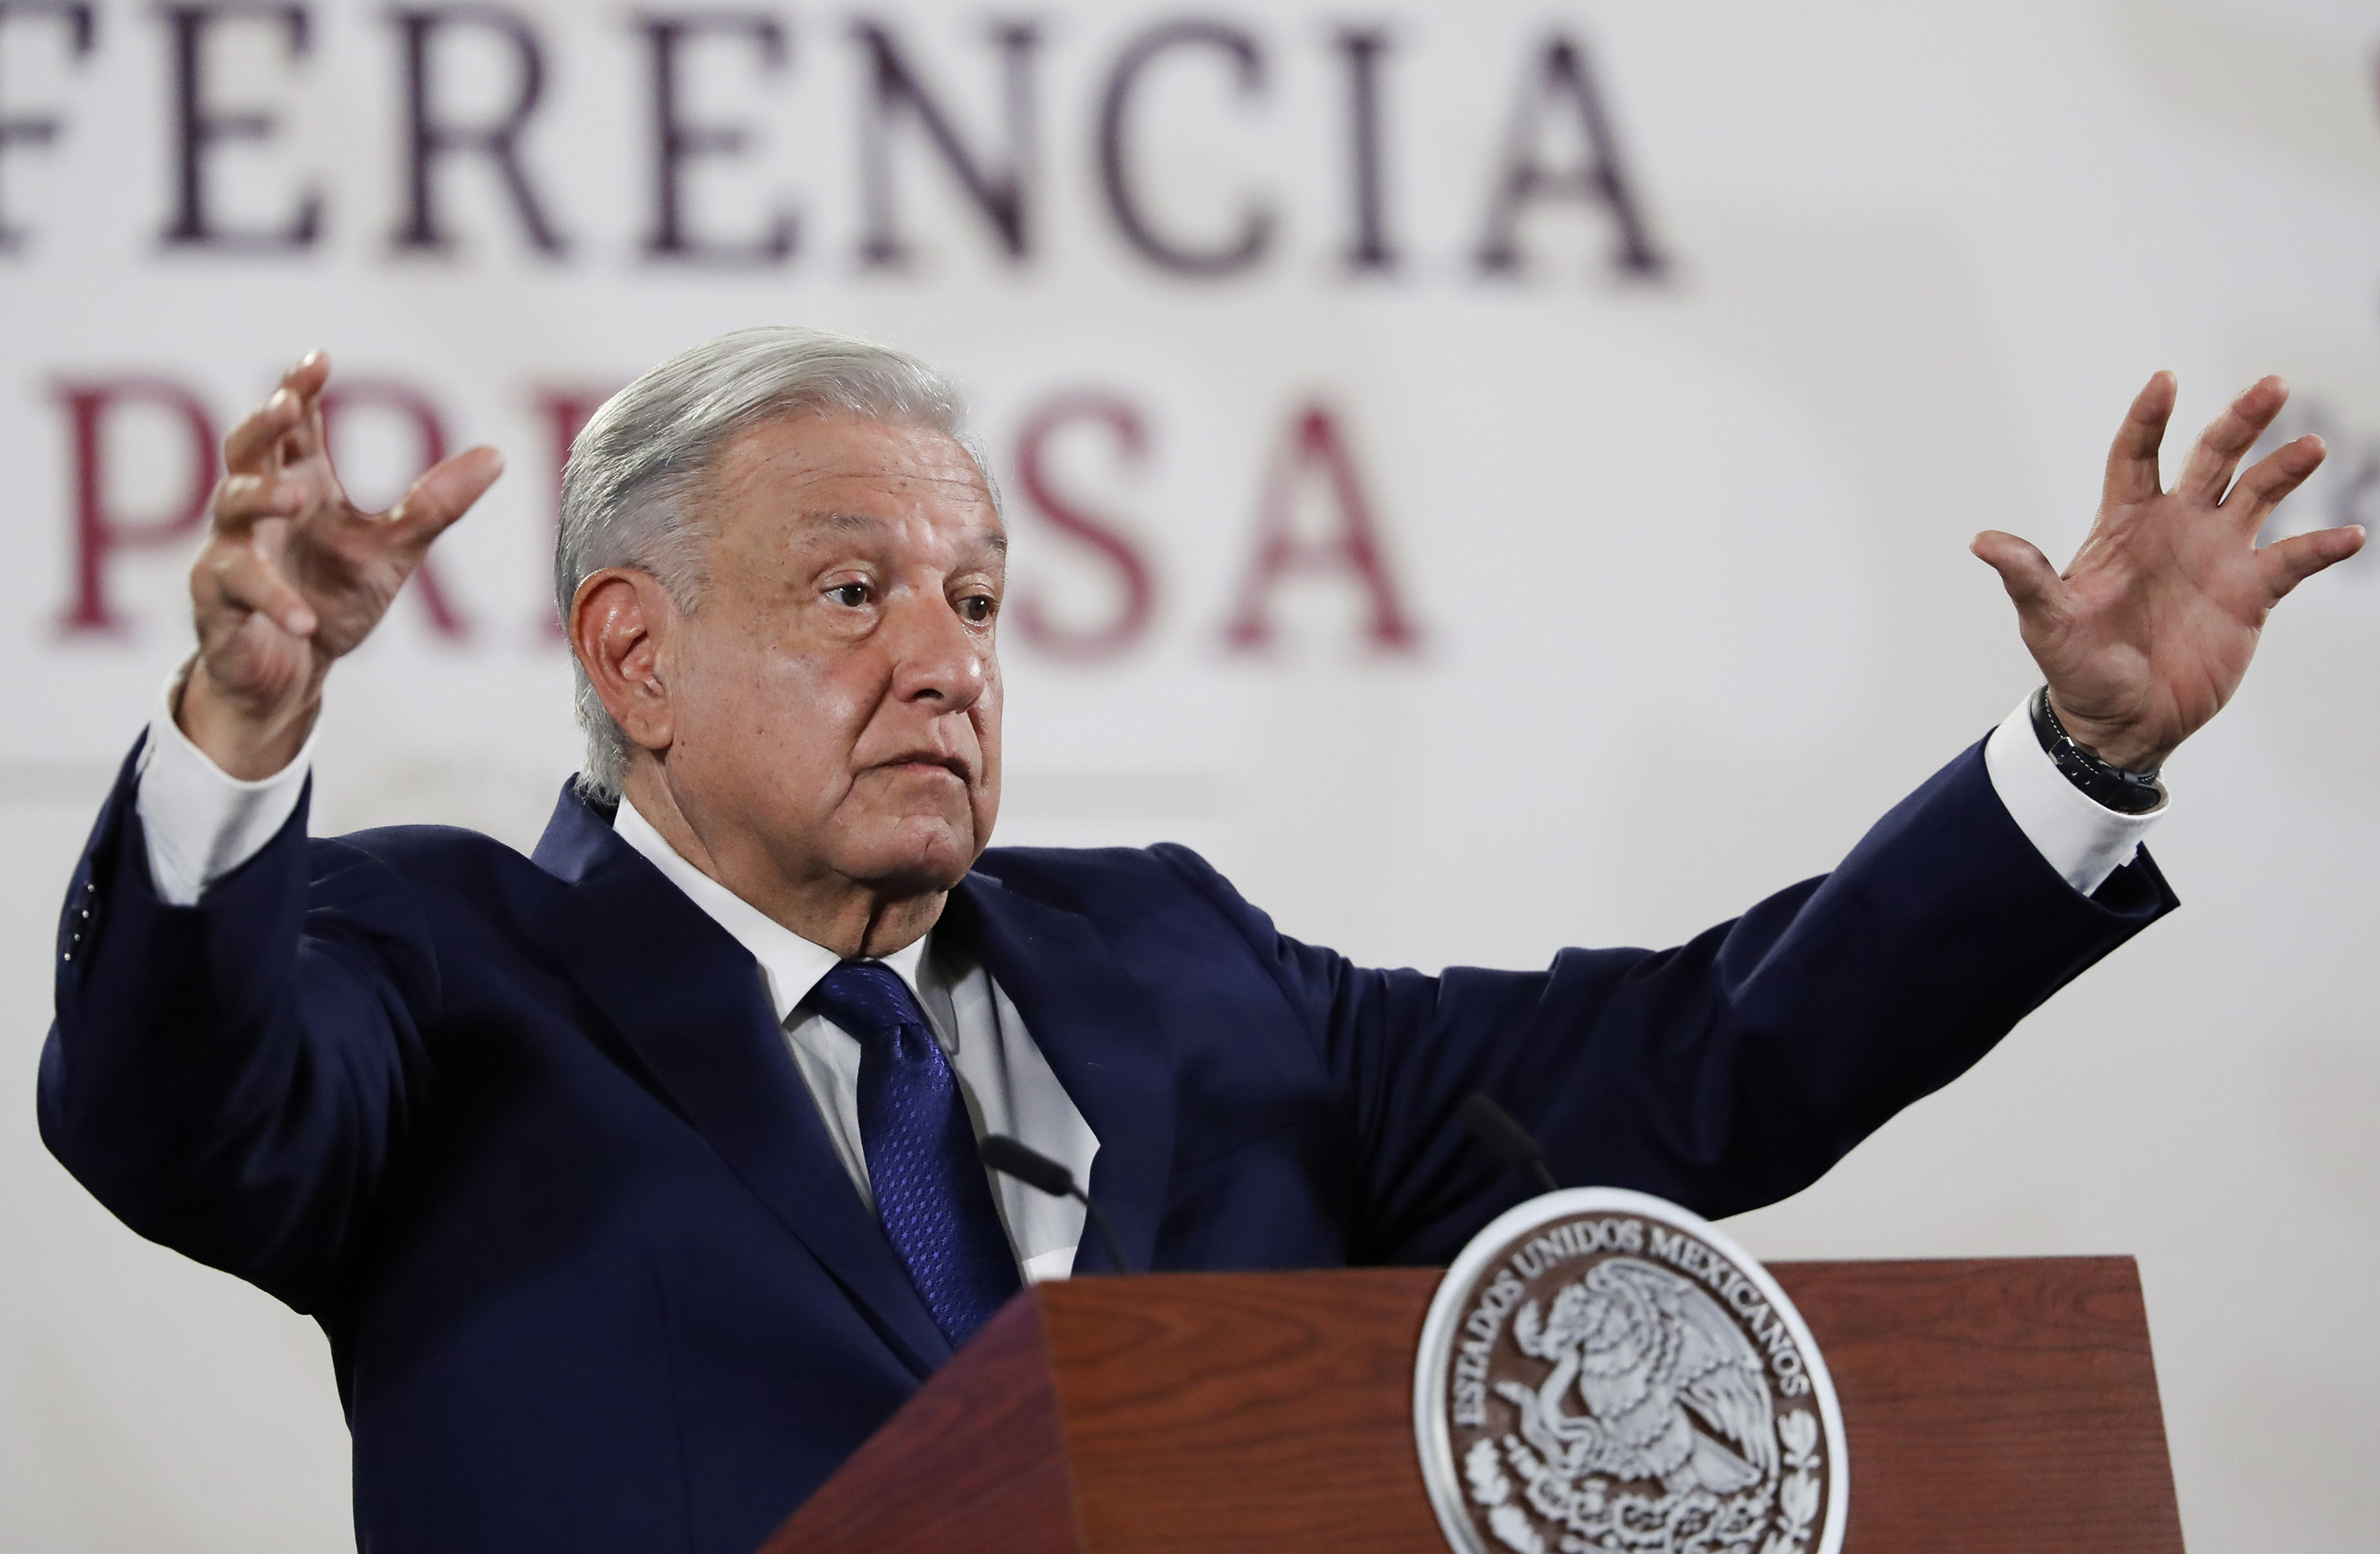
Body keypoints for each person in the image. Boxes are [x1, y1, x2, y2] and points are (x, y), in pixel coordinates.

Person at [39, 327, 2359, 1554]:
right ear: (633, 654)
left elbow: (1696, 1065)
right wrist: (243, 729)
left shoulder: (1168, 961)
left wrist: (2076, 759)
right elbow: (180, 1107)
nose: (942, 662)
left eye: (975, 601)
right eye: (852, 593)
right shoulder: (447, 962)